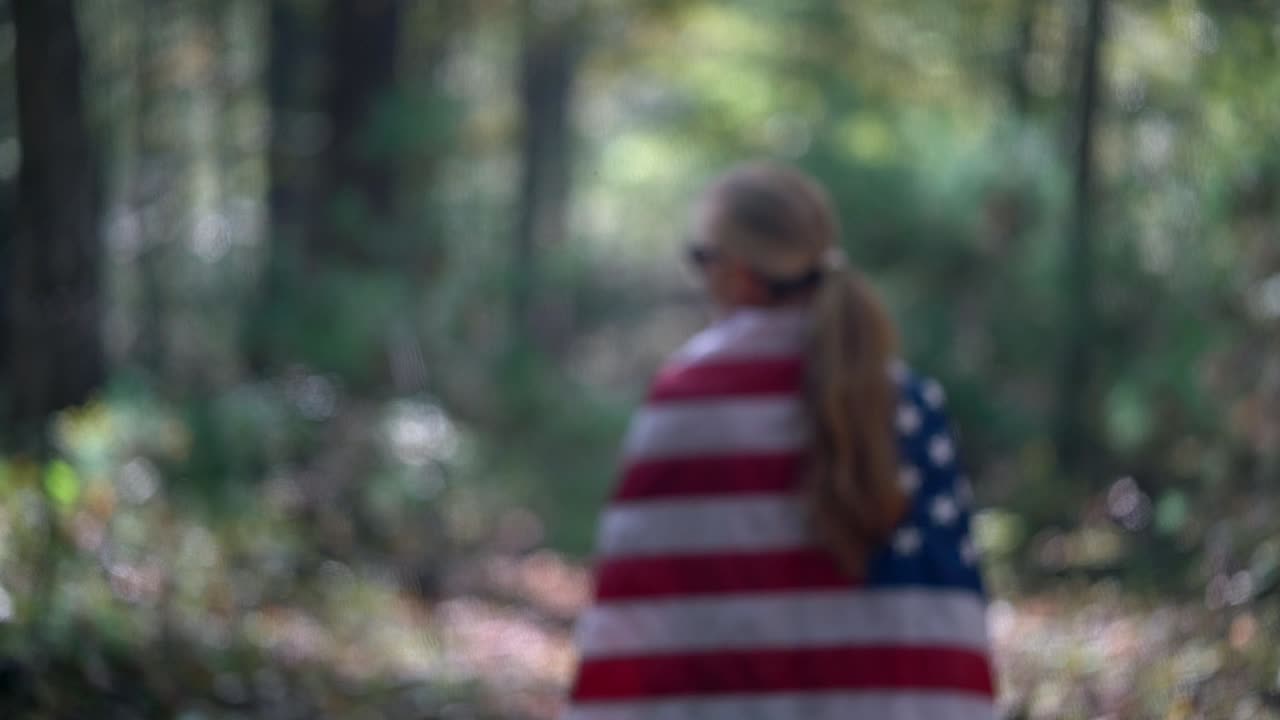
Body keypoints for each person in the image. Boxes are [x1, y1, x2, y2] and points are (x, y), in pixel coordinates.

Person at [562, 162, 996, 719]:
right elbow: (944, 614)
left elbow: (642, 614)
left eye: (701, 258)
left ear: (739, 273)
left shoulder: (688, 400)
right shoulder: (910, 404)